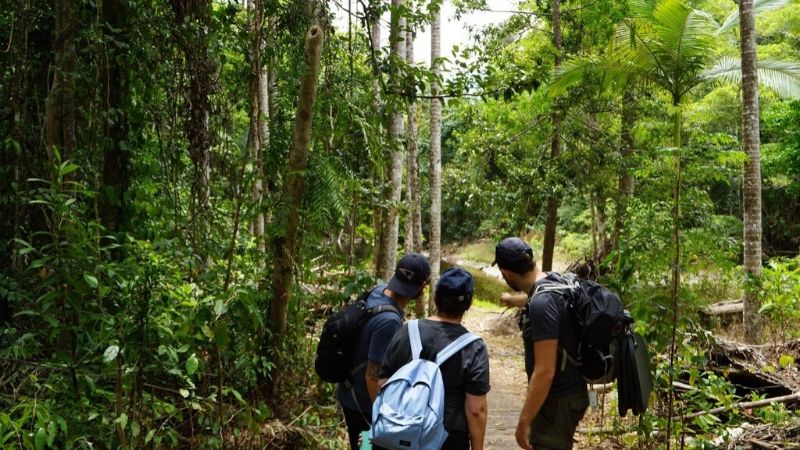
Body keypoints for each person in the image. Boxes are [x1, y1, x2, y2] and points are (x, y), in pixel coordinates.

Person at [493, 237, 589, 450]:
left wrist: (524, 420)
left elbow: (545, 371)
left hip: (556, 401)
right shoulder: (554, 281)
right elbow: (535, 300)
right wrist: (511, 300)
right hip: (573, 391)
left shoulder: (541, 304)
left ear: (506, 274)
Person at [378, 267, 490, 450]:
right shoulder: (474, 347)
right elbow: (476, 410)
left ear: (436, 297)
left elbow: (382, 385)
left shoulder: (406, 331)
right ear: (468, 304)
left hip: (399, 436)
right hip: (448, 440)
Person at [337, 253, 431, 450]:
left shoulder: (379, 291)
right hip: (363, 405)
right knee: (367, 448)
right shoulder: (388, 322)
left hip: (350, 393)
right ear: (422, 286)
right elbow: (372, 377)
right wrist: (383, 419)